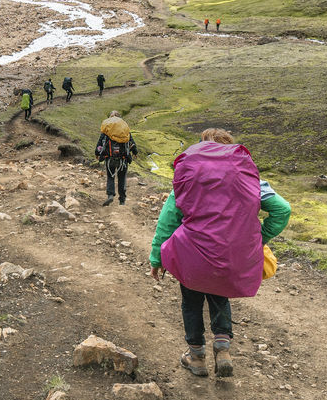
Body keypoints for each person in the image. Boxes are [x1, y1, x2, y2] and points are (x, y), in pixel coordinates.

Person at [149, 128, 291, 378]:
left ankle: (196, 357)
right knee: (219, 295)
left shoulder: (189, 176)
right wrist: (254, 240)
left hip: (192, 255)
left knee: (191, 302)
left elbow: (169, 219)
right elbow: (282, 210)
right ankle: (222, 347)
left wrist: (157, 258)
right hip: (230, 257)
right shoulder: (248, 179)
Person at [95, 111, 137, 206]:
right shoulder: (124, 129)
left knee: (110, 176)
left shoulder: (107, 129)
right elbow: (131, 141)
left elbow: (100, 142)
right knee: (122, 178)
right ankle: (122, 200)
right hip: (123, 159)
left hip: (109, 158)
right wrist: (135, 152)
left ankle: (110, 195)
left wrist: (97, 153)